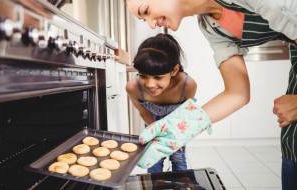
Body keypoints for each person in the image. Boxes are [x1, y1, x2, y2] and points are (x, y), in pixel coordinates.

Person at [125, 0, 297, 189]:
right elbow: (237, 93)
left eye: (147, 11)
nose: (151, 24)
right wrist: (181, 127)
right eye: (143, 20)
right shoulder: (211, 27)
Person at [126, 33, 197, 173]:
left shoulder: (187, 85)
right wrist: (155, 134)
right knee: (153, 159)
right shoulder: (133, 87)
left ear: (174, 70)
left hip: (177, 125)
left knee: (178, 157)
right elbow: (143, 112)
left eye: (158, 77)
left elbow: (186, 113)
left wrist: (178, 137)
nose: (150, 84)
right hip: (152, 123)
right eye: (143, 75)